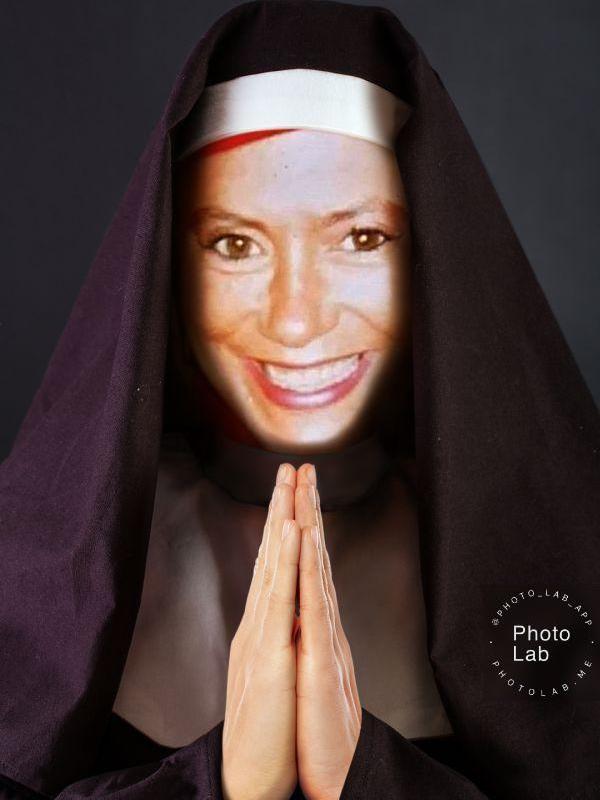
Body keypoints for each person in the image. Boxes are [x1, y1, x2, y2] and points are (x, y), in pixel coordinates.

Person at [1, 2, 598, 799]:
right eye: (235, 244)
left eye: (361, 239)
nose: (295, 320)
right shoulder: (31, 564)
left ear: (437, 262)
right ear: (168, 273)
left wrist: (368, 776)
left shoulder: (572, 561)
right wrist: (224, 783)